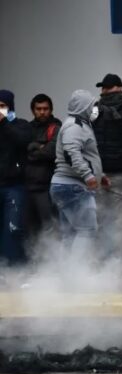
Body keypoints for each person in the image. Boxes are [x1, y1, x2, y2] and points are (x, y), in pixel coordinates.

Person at [49, 90, 108, 259]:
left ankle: (65, 274)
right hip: (73, 186)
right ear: (83, 107)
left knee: (69, 233)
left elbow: (86, 155)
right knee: (87, 230)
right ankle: (76, 272)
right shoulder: (75, 126)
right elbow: (72, 154)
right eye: (92, 106)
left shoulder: (78, 124)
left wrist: (99, 175)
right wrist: (89, 176)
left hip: (65, 185)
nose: (94, 109)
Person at [92, 73, 122, 261]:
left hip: (100, 172)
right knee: (121, 220)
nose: (103, 91)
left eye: (106, 87)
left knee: (100, 219)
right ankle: (118, 261)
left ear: (117, 88)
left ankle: (101, 259)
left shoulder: (95, 110)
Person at [0, 90, 33, 270]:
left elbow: (23, 140)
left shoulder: (20, 125)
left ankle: (11, 269)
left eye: (3, 106)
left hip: (14, 186)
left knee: (12, 229)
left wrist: (4, 123)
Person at [25, 94, 62, 248]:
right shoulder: (27, 127)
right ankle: (35, 264)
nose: (42, 112)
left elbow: (51, 151)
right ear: (33, 110)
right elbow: (22, 150)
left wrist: (33, 149)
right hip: (28, 186)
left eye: (45, 109)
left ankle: (53, 263)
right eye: (38, 109)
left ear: (51, 109)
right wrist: (39, 146)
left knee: (50, 228)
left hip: (47, 186)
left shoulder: (56, 127)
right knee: (30, 229)